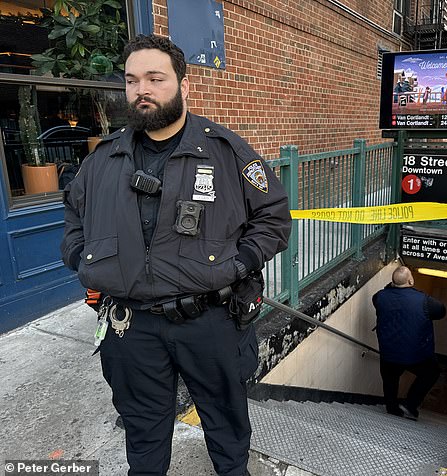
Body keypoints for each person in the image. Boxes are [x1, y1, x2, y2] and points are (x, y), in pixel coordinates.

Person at [60, 34, 292, 476]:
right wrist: (79, 257)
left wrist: (240, 264)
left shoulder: (225, 151)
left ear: (185, 86)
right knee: (143, 437)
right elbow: (73, 213)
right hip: (131, 327)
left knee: (226, 427)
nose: (141, 90)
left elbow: (273, 216)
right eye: (131, 81)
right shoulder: (103, 159)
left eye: (155, 78)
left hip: (210, 322)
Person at [372, 266, 446, 420]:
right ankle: (410, 404)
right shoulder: (425, 301)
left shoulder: (379, 297)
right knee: (432, 372)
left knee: (390, 380)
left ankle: (392, 409)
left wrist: (391, 287)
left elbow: (380, 299)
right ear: (411, 280)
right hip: (416, 355)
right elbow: (441, 311)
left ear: (392, 282)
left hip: (388, 352)